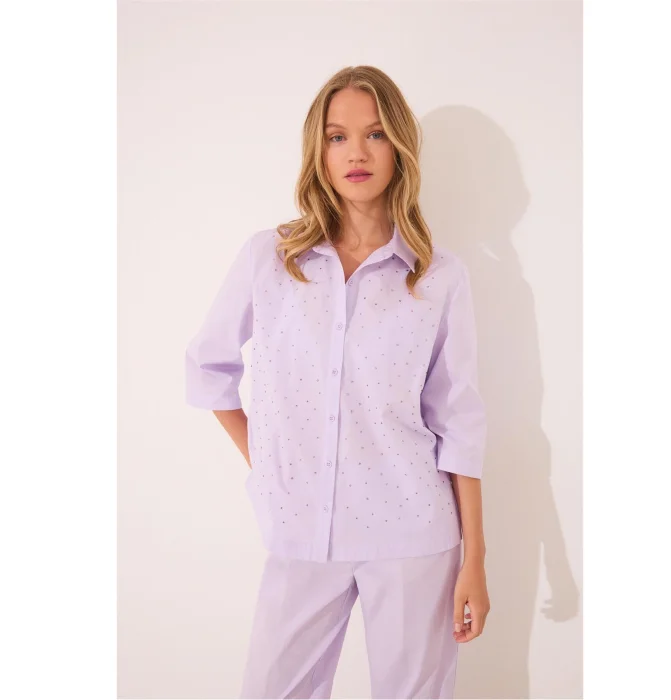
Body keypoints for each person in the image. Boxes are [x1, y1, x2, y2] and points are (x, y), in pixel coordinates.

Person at [185, 65, 490, 699]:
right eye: (337, 136)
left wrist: (476, 561)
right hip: (302, 528)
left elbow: (458, 422)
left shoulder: (439, 277)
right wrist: (271, 464)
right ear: (317, 150)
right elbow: (208, 367)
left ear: (399, 148)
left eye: (375, 134)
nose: (357, 152)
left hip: (412, 530)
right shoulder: (271, 259)